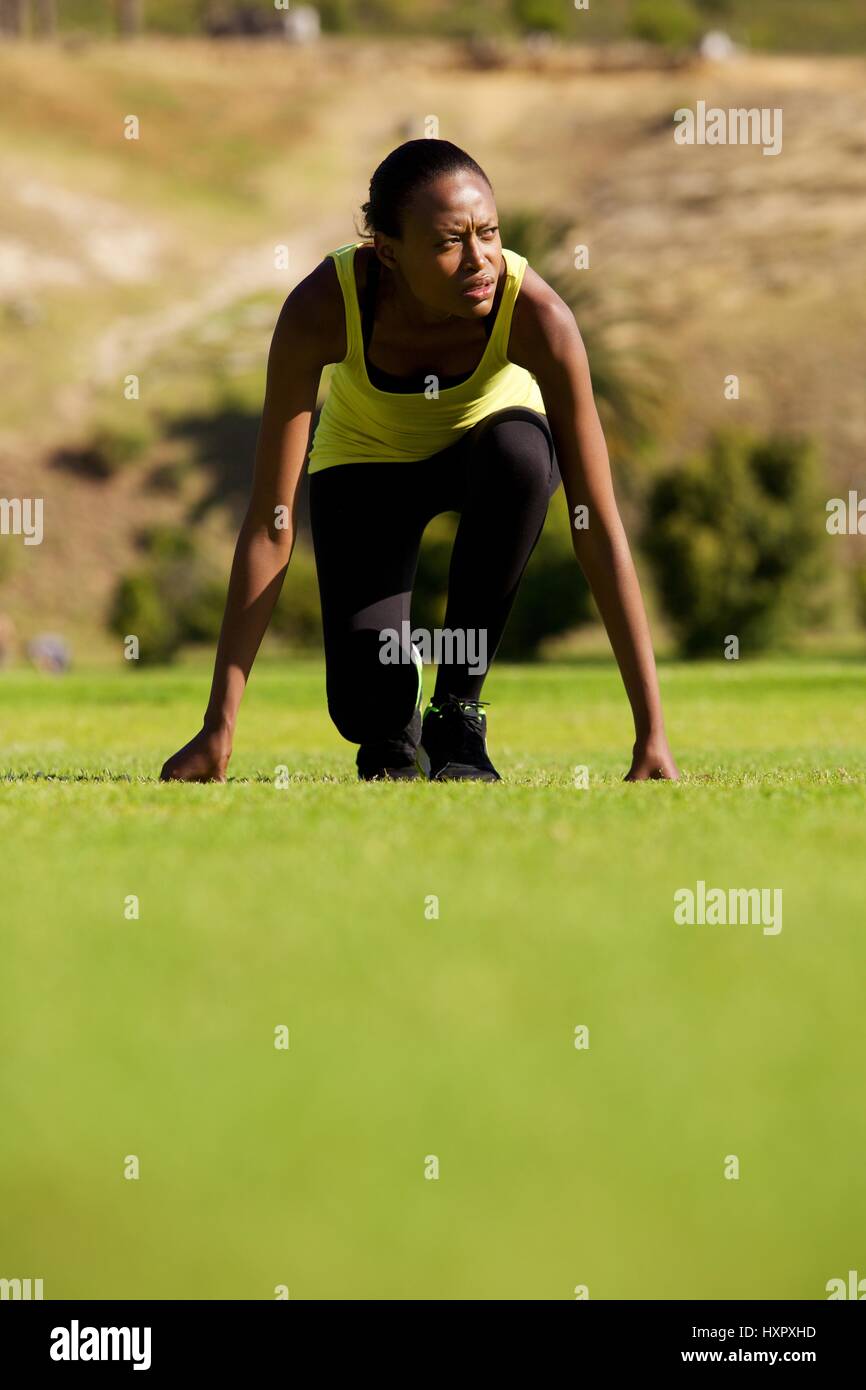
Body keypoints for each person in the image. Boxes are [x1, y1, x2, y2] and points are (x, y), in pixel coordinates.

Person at [160, 139, 679, 784]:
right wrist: (219, 728)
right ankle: (394, 729)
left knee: (518, 455)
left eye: (488, 233)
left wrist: (652, 732)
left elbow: (595, 520)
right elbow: (271, 521)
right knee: (366, 709)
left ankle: (459, 715)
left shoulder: (537, 314)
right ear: (388, 251)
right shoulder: (322, 308)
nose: (479, 260)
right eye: (447, 243)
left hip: (489, 452)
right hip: (367, 467)